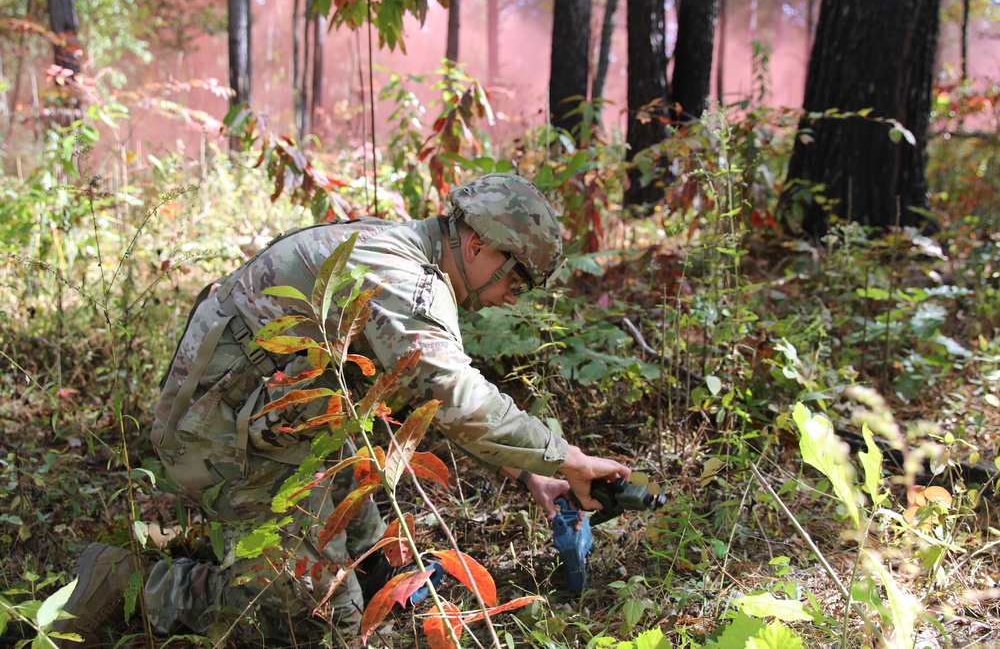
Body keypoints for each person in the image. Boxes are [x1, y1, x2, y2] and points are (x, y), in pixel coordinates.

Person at [54, 173, 631, 646]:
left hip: (282, 423)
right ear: (479, 245)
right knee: (319, 624)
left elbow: (417, 393)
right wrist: (569, 460)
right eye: (519, 278)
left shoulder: (403, 253)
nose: (515, 295)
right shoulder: (406, 280)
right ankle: (130, 581)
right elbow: (456, 398)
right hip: (224, 439)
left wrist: (533, 473)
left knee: (376, 562)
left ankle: (329, 565)